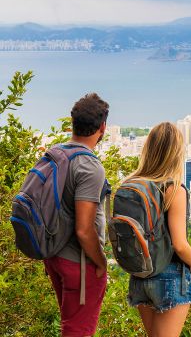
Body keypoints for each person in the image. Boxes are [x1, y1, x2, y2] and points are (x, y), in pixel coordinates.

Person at [44, 93, 110, 337]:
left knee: (69, 326)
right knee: (78, 331)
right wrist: (100, 262)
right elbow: (84, 229)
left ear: (73, 123)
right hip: (79, 263)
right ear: (102, 127)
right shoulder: (89, 166)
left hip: (53, 255)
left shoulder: (57, 153)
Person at [125, 122, 191, 337]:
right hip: (169, 274)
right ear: (177, 153)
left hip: (140, 274)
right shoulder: (173, 189)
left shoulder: (132, 184)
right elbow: (179, 243)